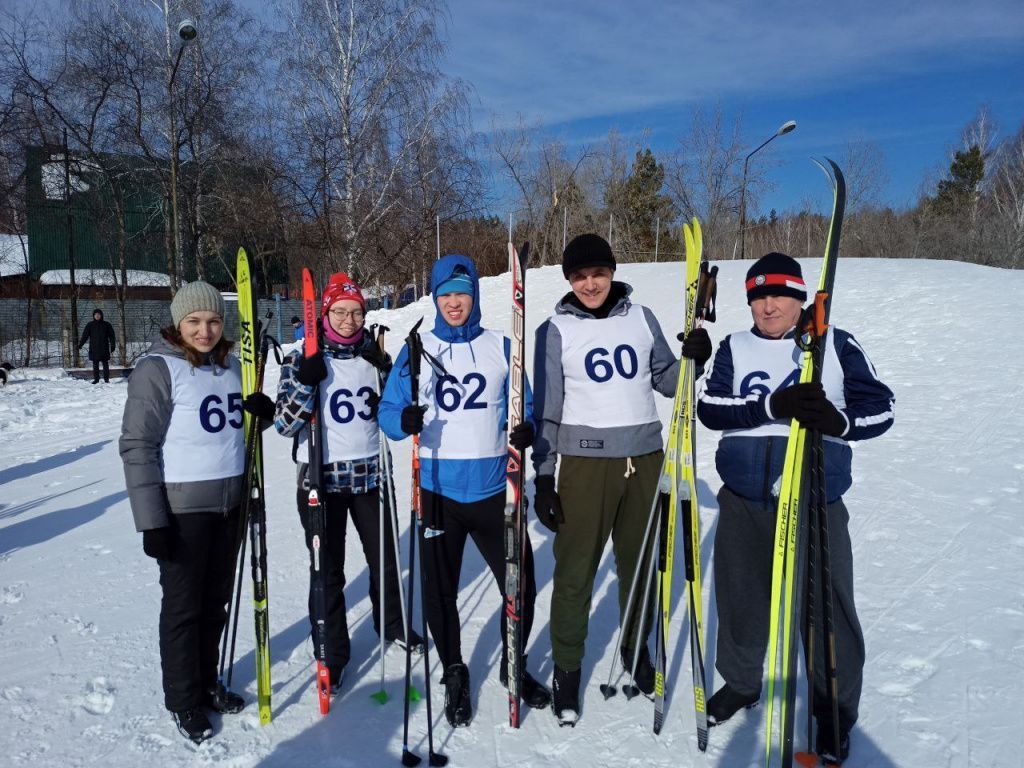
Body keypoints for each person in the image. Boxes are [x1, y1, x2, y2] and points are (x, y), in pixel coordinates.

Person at [696, 252, 894, 764]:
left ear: (800, 297)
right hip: (744, 500)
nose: (768, 305)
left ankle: (832, 712)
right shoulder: (733, 347)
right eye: (758, 296)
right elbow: (708, 408)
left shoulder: (834, 344)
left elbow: (883, 408)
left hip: (815, 502)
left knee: (825, 610)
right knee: (739, 601)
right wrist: (769, 408)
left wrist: (838, 421)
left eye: (779, 294)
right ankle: (741, 682)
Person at [530, 233, 710, 725]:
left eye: (599, 273)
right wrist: (544, 478)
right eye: (580, 276)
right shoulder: (555, 330)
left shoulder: (641, 316)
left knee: (642, 568)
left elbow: (668, 382)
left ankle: (636, 650)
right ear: (570, 280)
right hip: (586, 468)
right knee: (574, 573)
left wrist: (695, 357)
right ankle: (567, 669)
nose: (591, 283)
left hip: (647, 460)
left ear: (612, 272)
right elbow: (546, 412)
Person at [378, 254, 550, 728]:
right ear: (435, 299)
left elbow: (525, 406)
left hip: (497, 490)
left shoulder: (502, 347)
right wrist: (403, 420)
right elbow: (388, 411)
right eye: (446, 295)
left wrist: (526, 429)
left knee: (522, 585)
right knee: (439, 592)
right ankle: (454, 668)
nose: (455, 303)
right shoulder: (417, 348)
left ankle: (513, 661)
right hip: (437, 491)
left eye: (462, 293)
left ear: (474, 295)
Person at [120, 281, 267, 744]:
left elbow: (236, 430)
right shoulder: (157, 368)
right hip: (183, 512)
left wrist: (259, 411)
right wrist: (152, 521)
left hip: (230, 506)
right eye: (194, 322)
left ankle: (207, 681)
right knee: (183, 609)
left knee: (215, 602)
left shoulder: (232, 366)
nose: (204, 330)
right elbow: (137, 446)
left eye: (213, 321)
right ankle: (183, 700)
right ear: (177, 324)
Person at [269, 272, 424, 696]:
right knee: (328, 569)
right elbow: (283, 424)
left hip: (371, 475)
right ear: (325, 312)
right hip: (321, 478)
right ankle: (332, 653)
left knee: (386, 557)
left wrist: (393, 372)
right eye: (340, 311)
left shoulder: (373, 355)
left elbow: (396, 406)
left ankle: (392, 626)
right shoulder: (301, 355)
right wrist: (305, 380)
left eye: (356, 311)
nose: (349, 320)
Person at [79, 307, 116, 383]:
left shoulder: (107, 324)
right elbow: (85, 335)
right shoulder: (90, 325)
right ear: (93, 316)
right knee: (95, 365)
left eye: (99, 314)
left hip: (104, 348)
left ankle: (106, 379)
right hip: (94, 348)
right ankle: (96, 379)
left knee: (105, 364)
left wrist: (113, 346)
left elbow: (112, 336)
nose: (97, 316)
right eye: (95, 314)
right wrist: (81, 344)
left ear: (101, 315)